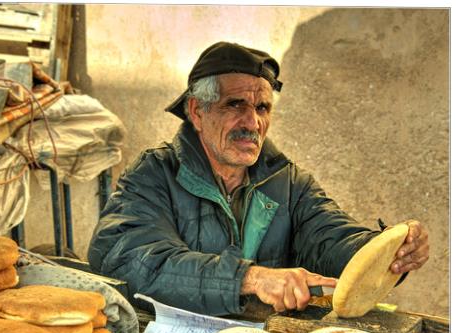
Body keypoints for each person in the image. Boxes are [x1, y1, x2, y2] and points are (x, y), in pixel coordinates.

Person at [87, 42, 430, 316]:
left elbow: (331, 238)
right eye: (235, 105)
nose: (252, 123)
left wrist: (385, 251)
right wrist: (250, 279)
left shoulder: (289, 183)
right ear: (197, 112)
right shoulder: (154, 175)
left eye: (263, 108)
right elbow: (130, 259)